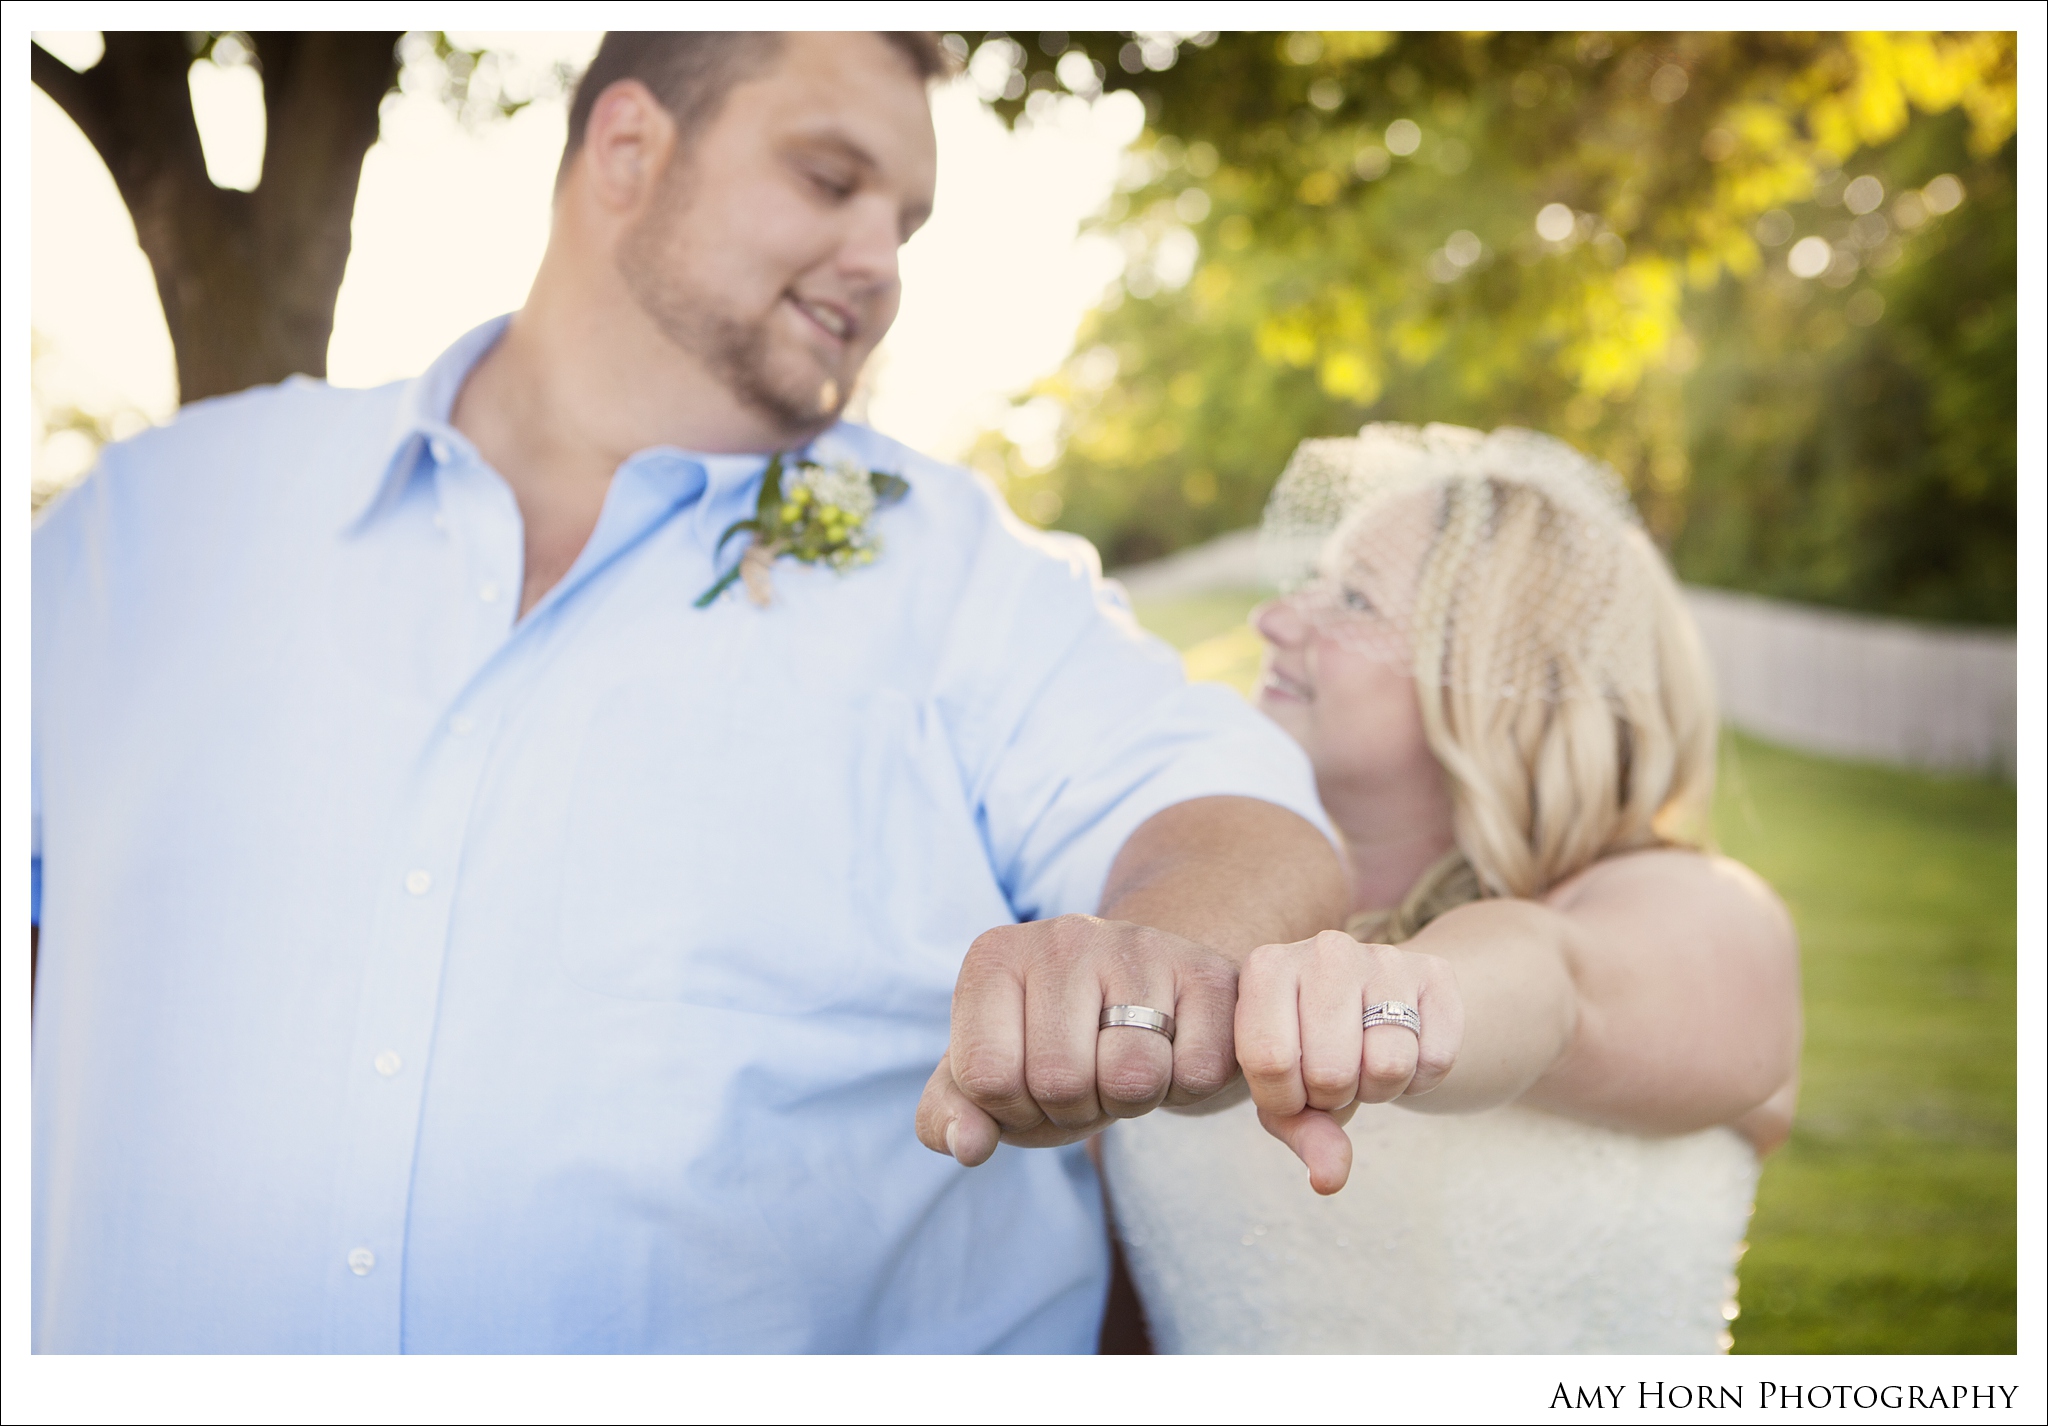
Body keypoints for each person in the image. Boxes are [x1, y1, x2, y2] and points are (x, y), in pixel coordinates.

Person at [30, 31, 1347, 1353]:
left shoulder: (967, 580)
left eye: (907, 221)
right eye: (831, 181)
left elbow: (1241, 821)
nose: (883, 264)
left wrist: (1144, 949)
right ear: (627, 149)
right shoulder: (154, 521)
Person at [1097, 423, 1802, 1353]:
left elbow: (1551, 982)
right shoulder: (1191, 907)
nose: (1275, 620)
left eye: (1352, 598)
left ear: (1513, 670)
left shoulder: (1699, 913)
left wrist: (1392, 1002)